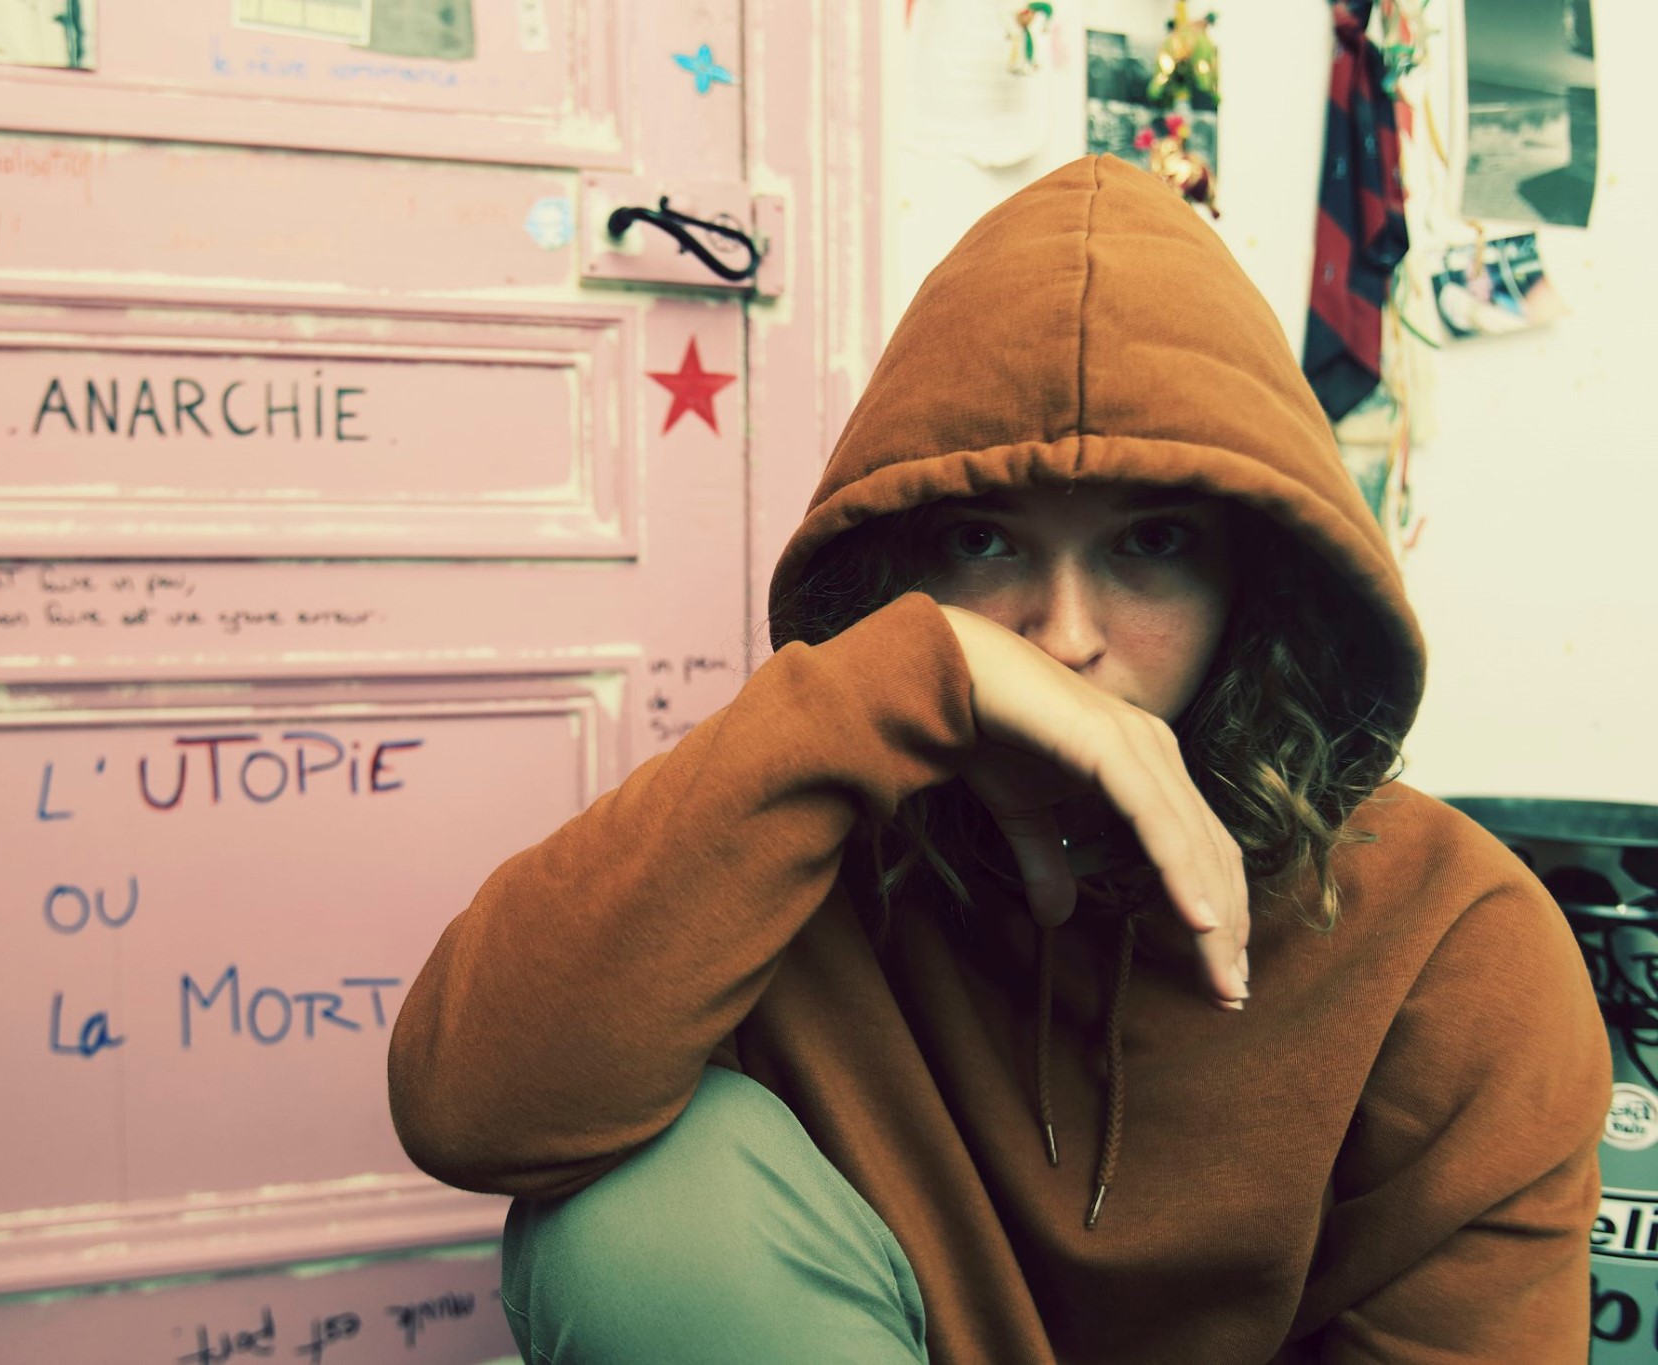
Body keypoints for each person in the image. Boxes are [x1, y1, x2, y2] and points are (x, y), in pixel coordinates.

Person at [387, 155, 1610, 1363]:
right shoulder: (796, 831)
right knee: (629, 1210)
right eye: (981, 542)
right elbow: (472, 1109)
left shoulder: (1449, 941)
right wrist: (882, 689)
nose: (1062, 637)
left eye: (1151, 542)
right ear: (896, 570)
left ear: (1255, 584)